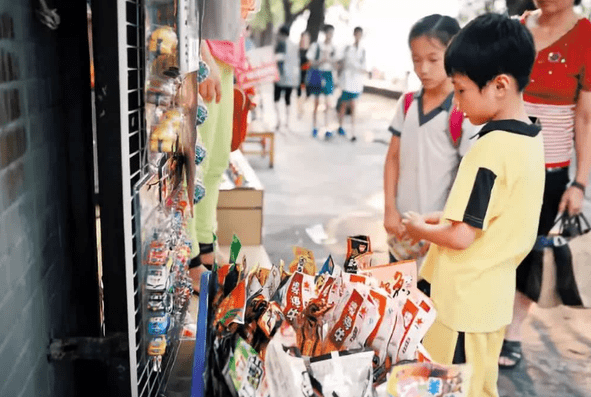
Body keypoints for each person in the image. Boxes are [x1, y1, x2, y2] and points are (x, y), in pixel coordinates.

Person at [402, 13, 544, 397]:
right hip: (491, 299)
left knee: (444, 386)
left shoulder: (489, 150)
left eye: (462, 91)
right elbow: (490, 216)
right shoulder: (530, 141)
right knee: (480, 386)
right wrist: (437, 217)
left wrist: (419, 229)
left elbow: (462, 234)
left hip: (460, 303)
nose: (458, 105)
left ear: (499, 85)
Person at [499, 0, 591, 369]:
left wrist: (579, 183)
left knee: (535, 254)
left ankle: (513, 332)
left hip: (550, 172)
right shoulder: (514, 29)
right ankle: (484, 320)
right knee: (494, 245)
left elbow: (585, 118)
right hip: (503, 161)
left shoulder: (586, 37)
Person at [383, 15, 474, 270]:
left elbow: (465, 176)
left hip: (436, 233)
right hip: (401, 229)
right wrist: (390, 208)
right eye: (416, 60)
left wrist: (441, 227)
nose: (423, 69)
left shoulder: (462, 111)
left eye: (433, 59)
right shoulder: (408, 103)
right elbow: (392, 158)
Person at [337, 26, 367, 142]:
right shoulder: (347, 48)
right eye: (357, 34)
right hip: (347, 80)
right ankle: (341, 126)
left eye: (360, 34)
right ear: (354, 34)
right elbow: (342, 62)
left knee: (354, 105)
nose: (358, 36)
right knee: (344, 104)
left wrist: (357, 67)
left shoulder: (363, 50)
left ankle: (352, 130)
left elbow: (364, 67)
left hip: (356, 82)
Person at [307, 24, 337, 139]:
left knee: (328, 103)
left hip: (328, 75)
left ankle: (327, 127)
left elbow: (337, 64)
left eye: (332, 33)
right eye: (329, 33)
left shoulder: (334, 48)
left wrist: (329, 60)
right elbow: (310, 62)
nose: (330, 36)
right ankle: (314, 127)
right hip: (318, 73)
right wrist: (321, 61)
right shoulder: (316, 46)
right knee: (316, 103)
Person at [274, 25, 300, 131]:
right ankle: (287, 122)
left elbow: (277, 58)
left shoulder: (281, 44)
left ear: (282, 34)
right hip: (290, 77)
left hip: (280, 77)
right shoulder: (294, 45)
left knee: (277, 99)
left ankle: (279, 121)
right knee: (287, 100)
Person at [297, 31, 311, 118]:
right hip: (299, 74)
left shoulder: (311, 50)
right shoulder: (297, 50)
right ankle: (300, 110)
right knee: (299, 94)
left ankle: (303, 108)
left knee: (307, 94)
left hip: (308, 74)